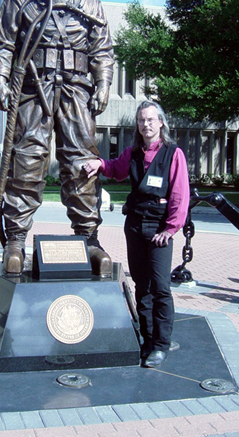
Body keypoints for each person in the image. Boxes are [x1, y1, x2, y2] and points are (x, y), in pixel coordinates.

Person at [0, 0, 114, 276]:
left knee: (82, 162)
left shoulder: (90, 3)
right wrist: (0, 79)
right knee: (27, 159)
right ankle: (15, 240)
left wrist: (103, 83)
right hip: (33, 89)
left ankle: (89, 237)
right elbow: (1, 44)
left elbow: (102, 50)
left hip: (76, 91)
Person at [84, 100, 190, 369]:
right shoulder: (132, 153)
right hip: (134, 225)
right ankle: (147, 339)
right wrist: (98, 165)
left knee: (160, 288)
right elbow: (115, 169)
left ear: (161, 122)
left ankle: (161, 345)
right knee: (142, 287)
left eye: (151, 119)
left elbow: (179, 194)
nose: (146, 124)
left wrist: (170, 228)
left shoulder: (172, 154)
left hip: (159, 231)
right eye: (142, 120)